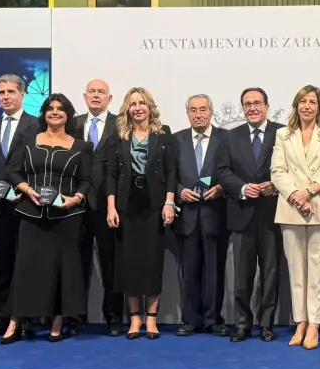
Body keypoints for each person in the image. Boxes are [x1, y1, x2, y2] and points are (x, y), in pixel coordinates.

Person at [2, 94, 92, 344]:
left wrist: (76, 199)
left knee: (62, 269)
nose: (55, 112)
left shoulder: (82, 146)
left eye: (60, 109)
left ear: (68, 115)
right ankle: (15, 321)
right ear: (44, 113)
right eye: (50, 108)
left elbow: (86, 180)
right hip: (31, 213)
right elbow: (13, 171)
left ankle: (57, 321)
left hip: (66, 216)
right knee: (25, 268)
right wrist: (26, 189)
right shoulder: (28, 141)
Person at [271, 85, 320, 351]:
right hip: (291, 209)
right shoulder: (283, 134)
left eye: (312, 102)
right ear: (296, 105)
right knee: (297, 271)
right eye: (303, 101)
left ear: (319, 106)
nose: (307, 106)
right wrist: (295, 196)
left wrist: (308, 192)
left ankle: (314, 324)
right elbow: (277, 171)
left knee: (318, 271)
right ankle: (300, 322)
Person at [105, 87, 178, 339]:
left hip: (155, 207)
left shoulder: (163, 133)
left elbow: (171, 171)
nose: (137, 108)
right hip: (126, 207)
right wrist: (111, 206)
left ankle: (152, 319)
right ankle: (135, 319)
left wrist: (170, 203)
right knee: (129, 264)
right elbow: (111, 173)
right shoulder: (119, 135)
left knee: (152, 263)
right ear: (127, 108)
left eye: (142, 103)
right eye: (133, 103)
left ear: (150, 107)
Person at [216, 87, 284, 343]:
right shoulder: (230, 136)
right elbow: (222, 171)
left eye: (257, 103)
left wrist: (274, 186)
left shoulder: (283, 133)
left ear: (267, 106)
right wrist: (243, 188)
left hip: (272, 214)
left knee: (270, 274)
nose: (252, 108)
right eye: (247, 104)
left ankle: (267, 325)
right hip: (241, 213)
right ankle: (242, 324)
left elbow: (291, 168)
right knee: (242, 277)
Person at [0, 75, 41, 338]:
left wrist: (25, 189)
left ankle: (27, 317)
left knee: (27, 263)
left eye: (11, 92)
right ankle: (3, 316)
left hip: (27, 203)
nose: (6, 97)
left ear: (22, 94)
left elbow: (40, 165)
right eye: (1, 92)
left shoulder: (37, 125)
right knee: (3, 263)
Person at [173, 95, 229, 337]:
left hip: (215, 214)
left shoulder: (226, 138)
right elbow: (168, 174)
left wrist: (223, 188)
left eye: (203, 109)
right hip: (185, 216)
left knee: (215, 271)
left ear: (211, 112)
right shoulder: (176, 140)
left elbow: (234, 170)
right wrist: (179, 191)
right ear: (188, 114)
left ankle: (213, 319)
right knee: (189, 270)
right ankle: (190, 319)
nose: (198, 115)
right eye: (193, 110)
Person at [72, 78, 123, 336]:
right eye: (91, 91)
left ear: (109, 98)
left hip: (108, 206)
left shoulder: (120, 124)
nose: (96, 95)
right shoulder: (72, 124)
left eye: (101, 92)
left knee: (111, 265)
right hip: (75, 205)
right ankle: (75, 318)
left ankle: (114, 318)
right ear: (84, 96)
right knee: (76, 266)